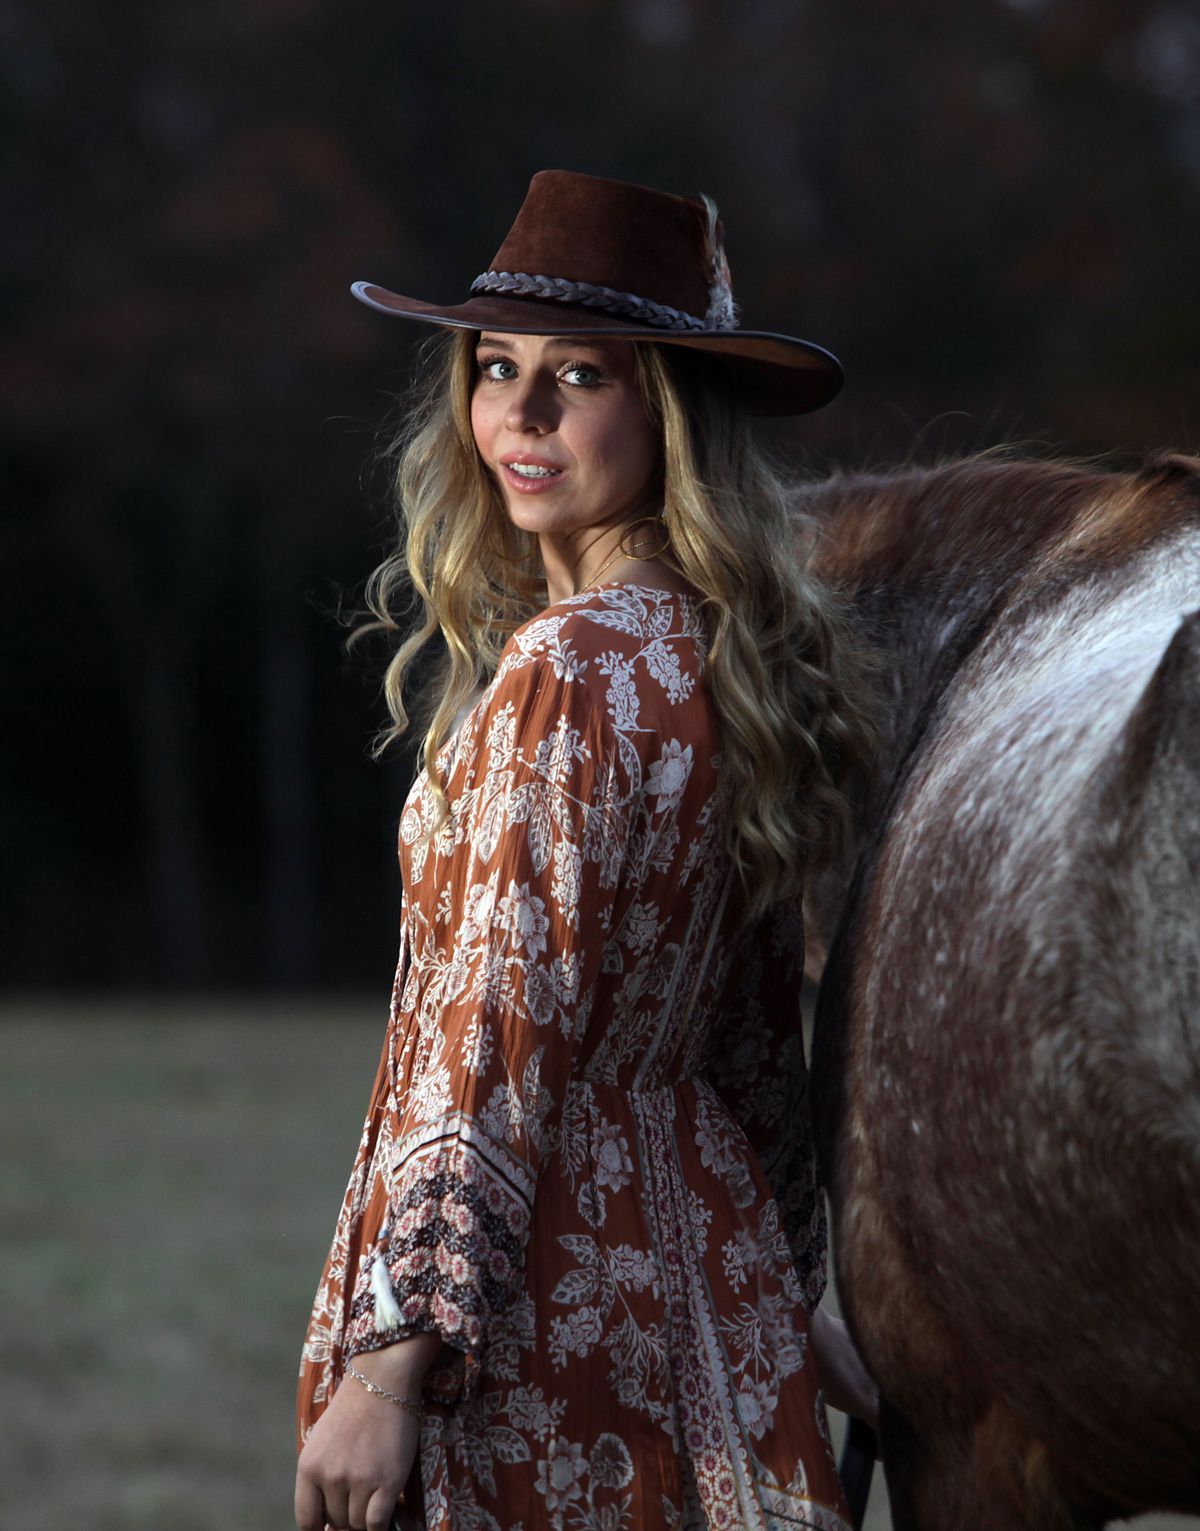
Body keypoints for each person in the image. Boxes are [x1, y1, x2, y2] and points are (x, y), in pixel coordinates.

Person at [295, 169, 879, 1531]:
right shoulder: (717, 665)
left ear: (668, 409)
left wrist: (391, 1371)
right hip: (697, 1272)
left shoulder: (568, 671)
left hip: (534, 1302)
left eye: (583, 375)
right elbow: (750, 1056)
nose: (523, 412)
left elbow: (488, 1033)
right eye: (497, 368)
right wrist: (778, 1304)